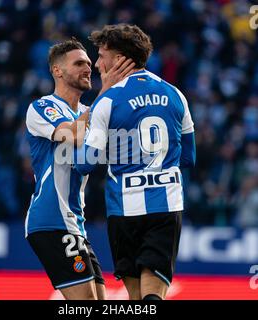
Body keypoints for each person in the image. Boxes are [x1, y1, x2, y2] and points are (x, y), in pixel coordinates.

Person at [75, 24, 196, 300]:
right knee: (153, 296)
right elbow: (189, 157)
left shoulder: (108, 101)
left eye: (102, 55)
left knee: (135, 297)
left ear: (118, 59)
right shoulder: (176, 95)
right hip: (165, 206)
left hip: (123, 209)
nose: (97, 63)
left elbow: (85, 164)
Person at [25, 38, 134, 300]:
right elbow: (72, 134)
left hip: (76, 222)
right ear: (57, 71)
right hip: (50, 219)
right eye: (79, 63)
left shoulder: (91, 110)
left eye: (88, 62)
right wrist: (105, 92)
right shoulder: (42, 107)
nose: (88, 68)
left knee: (97, 300)